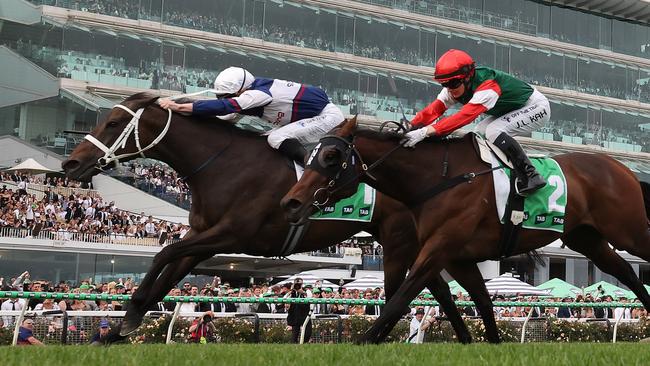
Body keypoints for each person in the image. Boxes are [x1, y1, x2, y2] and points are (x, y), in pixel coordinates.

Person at [403, 49, 550, 195]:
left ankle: (530, 174)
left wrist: (425, 131)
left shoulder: (488, 86)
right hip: (511, 109)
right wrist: (411, 125)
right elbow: (434, 110)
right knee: (478, 132)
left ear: (467, 77)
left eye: (453, 83)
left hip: (535, 106)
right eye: (444, 84)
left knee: (493, 130)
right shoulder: (454, 88)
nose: (449, 89)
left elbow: (463, 117)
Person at [158, 66, 344, 165]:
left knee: (275, 137)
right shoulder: (252, 91)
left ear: (240, 90)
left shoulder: (257, 94)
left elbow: (225, 108)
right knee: (266, 138)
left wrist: (178, 107)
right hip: (312, 118)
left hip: (328, 117)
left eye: (227, 96)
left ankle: (310, 165)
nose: (224, 99)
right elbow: (225, 118)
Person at [286, 277, 312, 343]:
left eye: (299, 284)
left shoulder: (307, 290)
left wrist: (303, 292)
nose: (298, 285)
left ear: (302, 284)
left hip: (304, 315)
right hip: (295, 316)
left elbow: (310, 297)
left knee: (307, 334)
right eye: (296, 284)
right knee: (294, 336)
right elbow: (284, 299)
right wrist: (291, 291)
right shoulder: (292, 292)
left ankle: (303, 344)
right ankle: (295, 347)